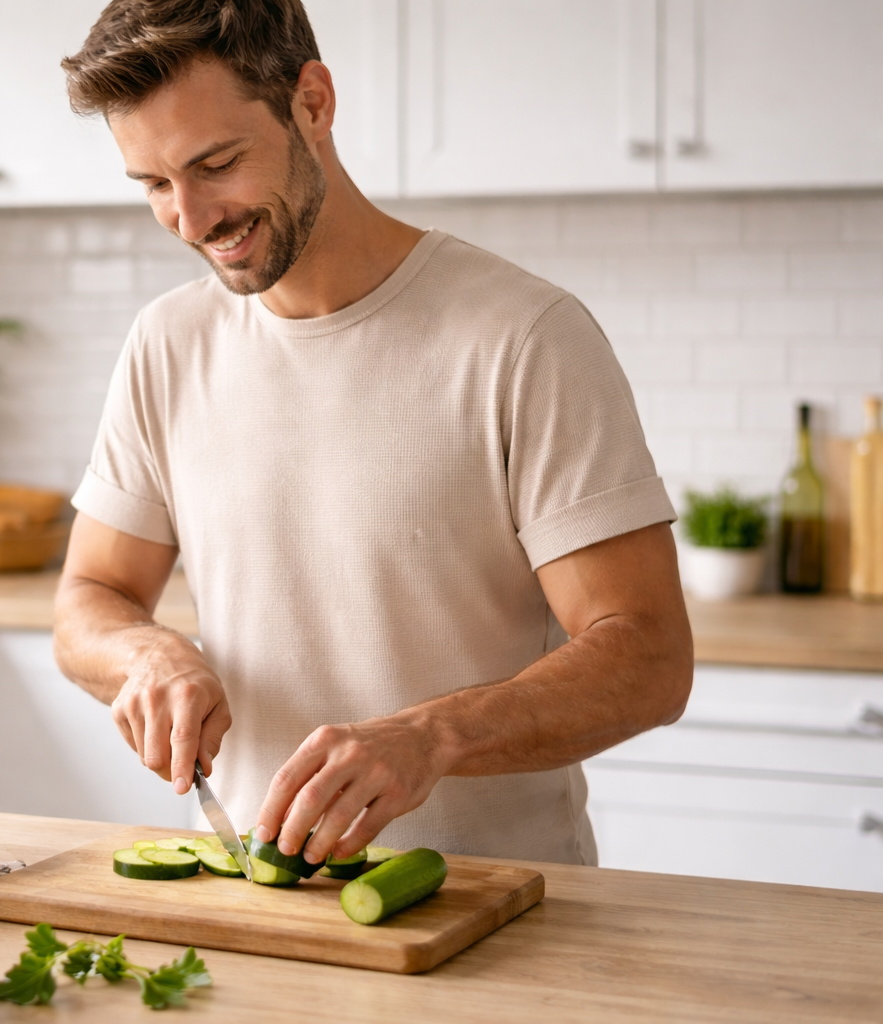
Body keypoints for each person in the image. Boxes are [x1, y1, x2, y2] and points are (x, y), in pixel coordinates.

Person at [51, 0, 693, 868]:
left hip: (500, 904)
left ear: (312, 103)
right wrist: (145, 656)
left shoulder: (523, 337)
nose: (192, 221)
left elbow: (649, 657)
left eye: (217, 165)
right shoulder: (168, 343)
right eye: (155, 186)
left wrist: (433, 737)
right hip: (259, 901)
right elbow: (89, 597)